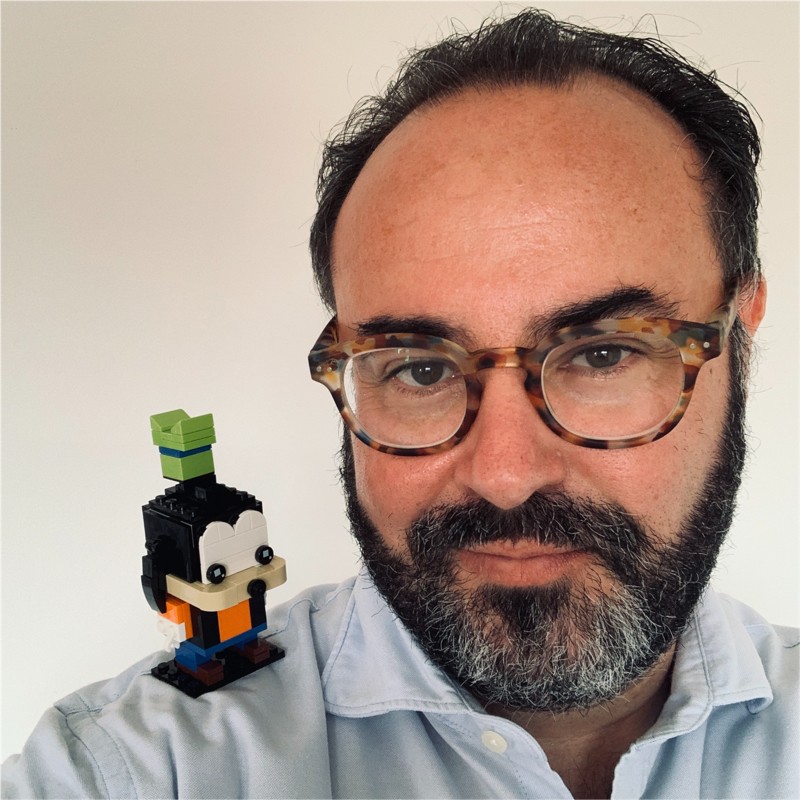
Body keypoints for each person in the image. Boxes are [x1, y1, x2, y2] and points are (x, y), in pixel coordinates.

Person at [3, 8, 797, 799]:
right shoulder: (134, 771)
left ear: (743, 332)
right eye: (419, 369)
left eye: (603, 354)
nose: (505, 476)